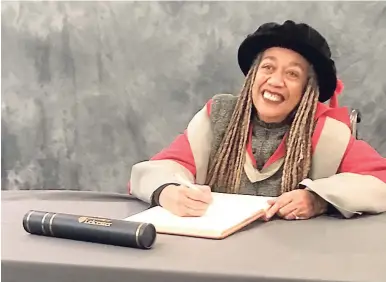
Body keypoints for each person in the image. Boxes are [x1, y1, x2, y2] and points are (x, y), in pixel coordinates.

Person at [129, 20, 386, 220]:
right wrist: (169, 191)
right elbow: (164, 167)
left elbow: (379, 181)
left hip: (295, 257)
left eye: (292, 74)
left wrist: (318, 199)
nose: (275, 81)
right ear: (253, 75)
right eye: (268, 67)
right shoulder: (219, 117)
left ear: (308, 90)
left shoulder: (325, 131)